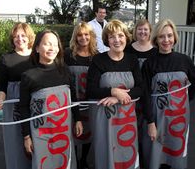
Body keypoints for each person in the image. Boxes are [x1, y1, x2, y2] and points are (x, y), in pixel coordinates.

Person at [19, 30, 83, 169]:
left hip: (63, 131)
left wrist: (78, 119)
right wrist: (26, 136)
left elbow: (73, 98)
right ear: (36, 48)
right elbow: (23, 107)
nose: (52, 48)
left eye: (55, 45)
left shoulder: (65, 71)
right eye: (47, 44)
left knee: (65, 162)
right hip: (41, 133)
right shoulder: (28, 76)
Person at [142, 19, 195, 169]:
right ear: (156, 39)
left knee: (176, 151)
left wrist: (184, 100)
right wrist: (150, 122)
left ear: (174, 37)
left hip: (179, 115)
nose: (166, 40)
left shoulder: (184, 60)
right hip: (157, 116)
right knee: (157, 153)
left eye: (169, 36)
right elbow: (145, 94)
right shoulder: (149, 63)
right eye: (161, 36)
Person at [86, 19, 143, 169]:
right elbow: (90, 90)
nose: (117, 40)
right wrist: (113, 91)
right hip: (104, 117)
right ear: (107, 40)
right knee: (106, 152)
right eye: (112, 37)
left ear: (126, 37)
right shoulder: (98, 60)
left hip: (127, 116)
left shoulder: (132, 60)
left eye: (120, 35)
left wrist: (116, 97)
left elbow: (140, 88)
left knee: (126, 151)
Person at [0, 22, 35, 169]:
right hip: (14, 104)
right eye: (16, 36)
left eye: (23, 35)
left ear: (29, 37)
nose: (20, 38)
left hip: (35, 101)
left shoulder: (38, 56)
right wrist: (0, 99)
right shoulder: (7, 58)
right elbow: (2, 85)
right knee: (17, 139)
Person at [124, 19, 158, 169]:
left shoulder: (156, 50)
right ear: (135, 31)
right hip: (132, 96)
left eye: (145, 29)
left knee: (148, 132)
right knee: (132, 132)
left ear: (150, 31)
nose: (142, 32)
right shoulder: (128, 50)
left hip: (151, 97)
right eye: (139, 29)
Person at [64, 21, 97, 169]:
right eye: (79, 35)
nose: (83, 37)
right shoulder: (68, 55)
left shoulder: (97, 56)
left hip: (89, 101)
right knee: (73, 130)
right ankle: (74, 160)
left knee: (87, 130)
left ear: (91, 36)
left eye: (86, 34)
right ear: (75, 37)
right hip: (72, 99)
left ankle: (83, 159)